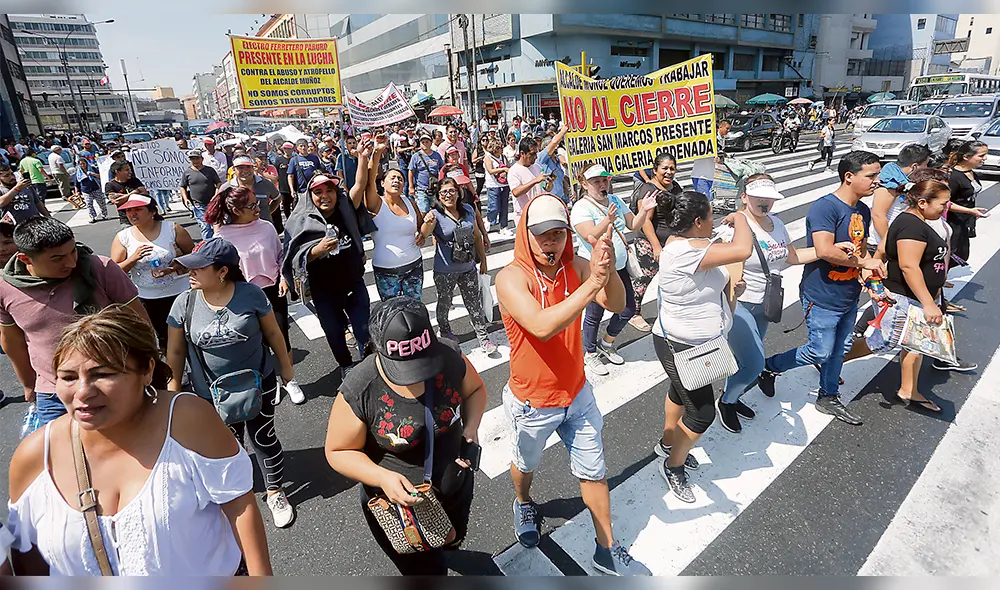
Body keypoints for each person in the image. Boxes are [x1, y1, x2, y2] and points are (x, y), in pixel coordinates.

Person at [5, 306, 272, 575]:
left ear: (146, 371)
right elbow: (27, 556)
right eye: (68, 378)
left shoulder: (188, 422)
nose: (83, 392)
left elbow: (239, 506)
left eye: (103, 374)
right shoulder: (36, 455)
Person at [496, 194, 647, 575]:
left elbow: (616, 302)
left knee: (594, 470)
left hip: (577, 392)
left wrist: (606, 268)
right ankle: (523, 500)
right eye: (542, 235)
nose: (551, 242)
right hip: (533, 399)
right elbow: (542, 326)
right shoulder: (511, 277)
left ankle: (606, 547)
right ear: (525, 235)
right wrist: (592, 281)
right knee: (524, 464)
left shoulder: (576, 266)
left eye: (559, 234)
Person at [324, 296, 486, 575]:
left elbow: (475, 391)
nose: (417, 377)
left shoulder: (449, 355)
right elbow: (337, 451)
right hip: (401, 510)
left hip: (455, 487)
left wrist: (470, 429)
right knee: (428, 572)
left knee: (453, 540)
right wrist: (382, 478)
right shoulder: (362, 386)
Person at [165, 238, 297, 528]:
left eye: (198, 268)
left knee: (262, 437)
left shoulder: (251, 294)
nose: (191, 273)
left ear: (222, 271)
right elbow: (174, 351)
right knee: (227, 444)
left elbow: (274, 334)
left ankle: (275, 491)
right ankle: (236, 493)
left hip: (258, 383)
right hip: (211, 393)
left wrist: (286, 369)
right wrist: (172, 389)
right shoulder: (184, 302)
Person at [759, 151, 887, 426]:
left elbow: (861, 250)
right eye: (871, 175)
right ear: (849, 177)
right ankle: (770, 366)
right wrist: (867, 260)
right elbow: (825, 250)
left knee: (839, 349)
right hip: (822, 293)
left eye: (878, 175)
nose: (877, 181)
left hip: (849, 293)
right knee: (820, 351)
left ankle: (828, 396)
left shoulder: (861, 210)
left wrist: (870, 279)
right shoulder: (825, 207)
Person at [717, 175, 846, 433]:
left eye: (770, 198)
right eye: (759, 197)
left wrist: (831, 250)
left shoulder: (776, 223)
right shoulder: (731, 230)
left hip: (766, 303)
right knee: (754, 363)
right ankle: (726, 402)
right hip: (738, 305)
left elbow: (792, 256)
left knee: (745, 358)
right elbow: (720, 269)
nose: (765, 203)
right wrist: (733, 286)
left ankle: (733, 395)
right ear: (744, 197)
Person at [649, 191, 751, 501]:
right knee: (703, 413)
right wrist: (742, 217)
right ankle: (673, 464)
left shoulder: (682, 245)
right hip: (681, 345)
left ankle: (668, 442)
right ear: (697, 221)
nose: (714, 222)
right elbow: (743, 249)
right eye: (710, 217)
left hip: (689, 342)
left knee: (680, 392)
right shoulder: (687, 253)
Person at [0, 217, 149, 427]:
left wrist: (148, 369)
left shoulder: (101, 268)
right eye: (57, 258)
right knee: (58, 455)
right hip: (52, 393)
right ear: (25, 259)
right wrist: (28, 383)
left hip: (111, 383)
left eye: (73, 251)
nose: (71, 262)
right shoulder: (5, 288)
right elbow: (12, 342)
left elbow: (139, 322)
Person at [865, 178, 956, 413]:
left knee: (915, 344)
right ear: (923, 202)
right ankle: (835, 360)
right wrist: (928, 303)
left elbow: (884, 250)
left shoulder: (914, 219)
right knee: (885, 341)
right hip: (905, 296)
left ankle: (909, 389)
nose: (946, 208)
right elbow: (909, 266)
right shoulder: (912, 225)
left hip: (919, 294)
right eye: (943, 204)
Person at [208, 186, 305, 404]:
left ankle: (289, 380)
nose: (258, 208)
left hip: (272, 290)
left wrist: (283, 278)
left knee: (281, 335)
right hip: (242, 295)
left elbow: (281, 256)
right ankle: (269, 383)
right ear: (235, 210)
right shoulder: (222, 234)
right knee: (257, 341)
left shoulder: (267, 227)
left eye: (257, 203)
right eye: (251, 205)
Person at [283, 173, 373, 378]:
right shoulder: (300, 219)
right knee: (334, 333)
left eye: (329, 190)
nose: (325, 196)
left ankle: (368, 367)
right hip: (323, 292)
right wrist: (316, 251)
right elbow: (291, 256)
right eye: (318, 192)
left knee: (364, 329)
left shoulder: (345, 209)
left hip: (353, 284)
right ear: (310, 195)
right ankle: (346, 364)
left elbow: (360, 183)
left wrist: (365, 156)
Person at [571, 164, 655, 377]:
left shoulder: (615, 201)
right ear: (584, 184)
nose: (602, 184)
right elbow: (589, 235)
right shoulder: (581, 207)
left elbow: (633, 225)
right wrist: (607, 220)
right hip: (595, 268)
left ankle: (606, 343)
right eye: (596, 181)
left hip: (619, 266)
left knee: (628, 308)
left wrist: (644, 210)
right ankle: (589, 352)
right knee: (594, 313)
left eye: (605, 180)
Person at [418, 176, 495, 353]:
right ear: (438, 195)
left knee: (474, 303)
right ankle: (444, 330)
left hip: (468, 267)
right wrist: (427, 222)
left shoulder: (468, 209)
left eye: (452, 191)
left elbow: (476, 235)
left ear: (458, 192)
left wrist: (483, 260)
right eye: (443, 192)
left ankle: (483, 337)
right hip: (445, 270)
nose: (448, 195)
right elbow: (424, 233)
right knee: (444, 303)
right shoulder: (436, 214)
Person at [110, 194, 194, 347]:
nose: (132, 214)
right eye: (128, 210)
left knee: (189, 336)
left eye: (138, 209)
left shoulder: (172, 229)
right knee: (164, 339)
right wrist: (133, 258)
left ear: (152, 212)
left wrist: (174, 267)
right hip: (147, 298)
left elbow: (193, 257)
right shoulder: (123, 237)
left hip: (180, 293)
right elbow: (114, 271)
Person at [628, 153, 684, 332]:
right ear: (655, 170)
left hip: (672, 243)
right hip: (649, 243)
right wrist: (656, 246)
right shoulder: (648, 189)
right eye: (665, 168)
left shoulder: (675, 187)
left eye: (672, 168)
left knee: (673, 279)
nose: (669, 172)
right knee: (644, 279)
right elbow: (645, 221)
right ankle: (633, 313)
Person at [368, 137, 426, 300]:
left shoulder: (410, 202)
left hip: (414, 266)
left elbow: (421, 229)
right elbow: (368, 181)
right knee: (392, 315)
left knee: (414, 310)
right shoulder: (376, 203)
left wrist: (423, 235)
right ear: (382, 184)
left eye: (400, 179)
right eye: (392, 178)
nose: (397, 181)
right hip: (386, 271)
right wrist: (377, 152)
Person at [868, 144, 931, 254]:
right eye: (925, 165)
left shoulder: (905, 180)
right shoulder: (889, 181)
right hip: (881, 245)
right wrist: (889, 243)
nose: (926, 169)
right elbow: (878, 215)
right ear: (914, 166)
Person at [946, 140, 987, 265]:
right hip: (953, 221)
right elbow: (945, 202)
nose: (985, 159)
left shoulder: (971, 173)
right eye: (981, 156)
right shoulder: (953, 177)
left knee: (963, 252)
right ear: (966, 157)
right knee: (951, 252)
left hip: (966, 220)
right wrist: (970, 211)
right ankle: (939, 279)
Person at [221, 155, 280, 227]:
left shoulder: (266, 184)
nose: (245, 170)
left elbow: (277, 198)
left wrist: (266, 212)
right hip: (237, 231)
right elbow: (218, 210)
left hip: (263, 228)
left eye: (248, 167)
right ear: (233, 169)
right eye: (240, 168)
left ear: (253, 168)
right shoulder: (226, 188)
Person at [179, 148, 222, 240]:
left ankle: (217, 243)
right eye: (192, 159)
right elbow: (182, 186)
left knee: (216, 225)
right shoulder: (187, 172)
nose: (195, 161)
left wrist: (216, 194)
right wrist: (185, 199)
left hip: (213, 203)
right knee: (205, 226)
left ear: (202, 159)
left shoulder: (210, 170)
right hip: (198, 204)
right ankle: (207, 245)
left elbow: (218, 183)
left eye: (197, 158)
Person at [508, 138, 549, 229]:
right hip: (524, 216)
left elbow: (544, 188)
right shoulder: (514, 171)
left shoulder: (537, 167)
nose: (536, 157)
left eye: (536, 153)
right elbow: (516, 192)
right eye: (532, 154)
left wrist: (549, 184)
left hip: (540, 213)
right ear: (522, 153)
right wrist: (534, 181)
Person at [689, 120, 730, 196]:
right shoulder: (701, 140)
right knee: (704, 201)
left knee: (711, 201)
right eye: (727, 128)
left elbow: (719, 153)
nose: (728, 131)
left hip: (712, 176)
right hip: (701, 176)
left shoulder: (720, 139)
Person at [407, 132, 445, 213]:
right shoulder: (416, 156)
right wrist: (411, 187)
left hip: (435, 188)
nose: (425, 144)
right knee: (423, 211)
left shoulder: (437, 155)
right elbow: (411, 171)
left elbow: (442, 169)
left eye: (427, 142)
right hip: (421, 189)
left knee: (438, 211)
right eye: (422, 142)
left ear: (431, 143)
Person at [105, 160, 149, 227]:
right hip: (126, 220)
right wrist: (134, 192)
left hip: (143, 218)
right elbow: (116, 201)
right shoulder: (110, 185)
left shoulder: (134, 180)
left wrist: (122, 197)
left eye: (130, 169)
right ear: (117, 172)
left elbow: (145, 193)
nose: (130, 172)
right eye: (127, 170)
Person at [484, 137, 512, 236]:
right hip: (493, 185)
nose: (502, 149)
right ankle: (489, 219)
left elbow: (509, 167)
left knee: (504, 206)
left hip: (504, 184)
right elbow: (490, 170)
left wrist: (506, 169)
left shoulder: (503, 157)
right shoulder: (488, 157)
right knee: (494, 206)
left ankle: (504, 227)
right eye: (500, 147)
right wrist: (503, 170)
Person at [538, 124, 569, 203]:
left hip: (561, 199)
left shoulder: (557, 159)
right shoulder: (542, 158)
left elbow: (561, 179)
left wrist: (568, 192)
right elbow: (554, 142)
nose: (556, 146)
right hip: (549, 200)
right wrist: (562, 132)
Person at [287, 138, 323, 204]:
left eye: (304, 146)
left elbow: (319, 170)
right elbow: (290, 176)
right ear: (297, 148)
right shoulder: (294, 160)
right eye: (301, 146)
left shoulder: (314, 157)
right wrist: (292, 190)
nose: (303, 148)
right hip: (301, 190)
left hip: (314, 188)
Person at [73, 157, 107, 223]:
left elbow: (100, 176)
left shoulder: (93, 169)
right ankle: (93, 217)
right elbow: (76, 183)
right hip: (86, 190)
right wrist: (77, 192)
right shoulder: (78, 173)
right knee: (89, 204)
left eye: (84, 163)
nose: (83, 165)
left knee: (101, 202)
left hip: (96, 188)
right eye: (81, 164)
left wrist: (91, 173)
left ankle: (104, 215)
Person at [273, 141, 296, 222]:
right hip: (283, 187)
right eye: (285, 148)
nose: (287, 150)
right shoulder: (279, 159)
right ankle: (289, 221)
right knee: (286, 207)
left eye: (289, 149)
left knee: (295, 206)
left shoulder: (295, 159)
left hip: (294, 187)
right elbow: (276, 172)